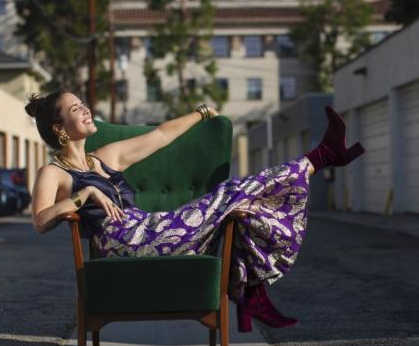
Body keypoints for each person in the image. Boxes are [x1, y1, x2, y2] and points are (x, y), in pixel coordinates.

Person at [27, 90, 364, 332]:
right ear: (59, 128)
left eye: (83, 104)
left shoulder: (105, 156)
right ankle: (322, 156)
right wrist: (83, 194)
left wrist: (202, 112)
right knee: (231, 193)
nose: (86, 109)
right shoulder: (53, 173)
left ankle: (250, 297)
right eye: (75, 109)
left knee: (243, 209)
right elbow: (41, 221)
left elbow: (160, 135)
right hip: (125, 244)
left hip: (151, 229)